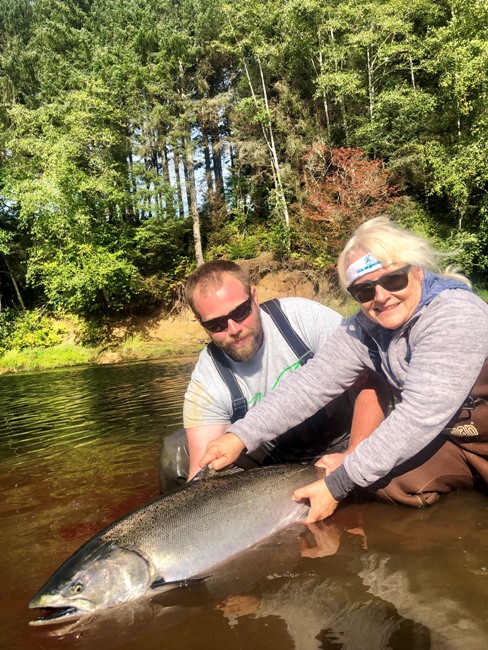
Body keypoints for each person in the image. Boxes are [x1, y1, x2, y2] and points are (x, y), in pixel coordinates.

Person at [199, 218, 488, 523]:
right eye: (364, 291)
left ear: (417, 271)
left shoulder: (453, 315)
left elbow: (418, 416)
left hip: (446, 426)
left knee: (353, 477)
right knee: (376, 482)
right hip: (455, 438)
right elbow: (309, 385)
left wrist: (337, 483)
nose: (381, 296)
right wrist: (240, 436)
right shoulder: (365, 329)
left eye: (393, 280)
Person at [160, 260, 389, 489]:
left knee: (413, 485)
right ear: (202, 325)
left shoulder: (303, 318)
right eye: (217, 324)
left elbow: (371, 380)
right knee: (179, 452)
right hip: (275, 456)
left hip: (346, 435)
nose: (234, 329)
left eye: (240, 312)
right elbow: (201, 475)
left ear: (255, 297)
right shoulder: (206, 381)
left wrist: (354, 457)